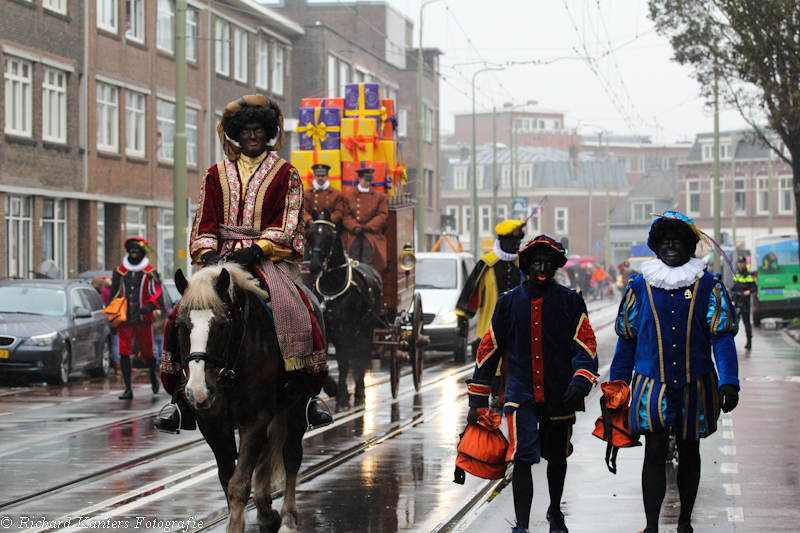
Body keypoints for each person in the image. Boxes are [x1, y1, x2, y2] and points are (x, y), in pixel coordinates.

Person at [155, 94, 332, 433]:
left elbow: (290, 221)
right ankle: (179, 401)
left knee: (300, 310)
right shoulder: (214, 174)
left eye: (259, 130)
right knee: (180, 316)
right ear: (237, 134)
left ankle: (308, 395)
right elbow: (204, 220)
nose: (252, 136)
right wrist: (208, 254)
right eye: (246, 130)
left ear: (268, 134)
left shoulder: (287, 173)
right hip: (218, 261)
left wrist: (257, 249)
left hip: (266, 260)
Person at [610, 211, 740, 533]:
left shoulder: (709, 286)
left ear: (688, 245)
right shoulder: (639, 286)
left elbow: (721, 338)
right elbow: (626, 341)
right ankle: (651, 526)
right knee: (654, 449)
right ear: (656, 245)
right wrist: (617, 383)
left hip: (696, 381)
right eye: (665, 240)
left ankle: (685, 522)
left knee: (689, 448)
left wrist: (730, 380)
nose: (671, 246)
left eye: (678, 240)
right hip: (651, 383)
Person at [466, 235, 599, 533]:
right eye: (536, 261)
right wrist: (477, 398)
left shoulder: (571, 301)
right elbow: (488, 350)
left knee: (557, 456)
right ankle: (522, 524)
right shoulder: (508, 303)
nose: (541, 267)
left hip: (559, 394)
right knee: (521, 457)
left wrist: (581, 379)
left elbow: (586, 347)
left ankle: (555, 511)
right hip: (519, 394)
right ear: (526, 265)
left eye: (547, 262)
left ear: (555, 266)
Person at [456, 219, 525, 410]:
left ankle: (511, 396)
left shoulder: (524, 266)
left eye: (518, 243)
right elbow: (472, 292)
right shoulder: (486, 265)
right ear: (502, 241)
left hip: (519, 328)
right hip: (490, 327)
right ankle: (494, 396)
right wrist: (463, 318)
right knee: (490, 366)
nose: (516, 246)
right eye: (513, 243)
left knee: (516, 364)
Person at [109, 237, 164, 400]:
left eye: (136, 251)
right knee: (124, 352)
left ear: (142, 253)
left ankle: (153, 378)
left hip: (143, 320)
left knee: (148, 353)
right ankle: (128, 389)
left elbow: (158, 293)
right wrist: (111, 319)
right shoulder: (119, 272)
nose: (133, 253)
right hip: (124, 319)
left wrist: (150, 306)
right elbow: (113, 295)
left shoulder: (150, 272)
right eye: (131, 251)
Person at [342, 167, 388, 273]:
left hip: (371, 232)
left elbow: (382, 214)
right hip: (354, 232)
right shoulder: (349, 196)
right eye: (365, 180)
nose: (367, 182)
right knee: (352, 249)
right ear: (359, 179)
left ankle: (368, 275)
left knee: (370, 250)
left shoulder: (379, 196)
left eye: (369, 180)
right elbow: (346, 215)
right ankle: (351, 275)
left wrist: (370, 226)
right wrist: (354, 227)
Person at [303, 164, 347, 228]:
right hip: (311, 227)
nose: (320, 178)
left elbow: (339, 211)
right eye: (318, 175)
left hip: (330, 227)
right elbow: (303, 211)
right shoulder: (306, 193)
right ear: (314, 176)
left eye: (323, 175)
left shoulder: (337, 194)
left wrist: (329, 220)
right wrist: (309, 220)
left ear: (327, 176)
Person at [730, 254, 757, 351]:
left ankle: (749, 342)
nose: (740, 265)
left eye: (742, 263)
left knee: (746, 323)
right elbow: (734, 287)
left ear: (745, 263)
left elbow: (754, 287)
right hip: (737, 302)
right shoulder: (737, 274)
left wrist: (748, 291)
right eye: (739, 263)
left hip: (745, 302)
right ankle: (730, 342)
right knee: (734, 323)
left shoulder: (749, 275)